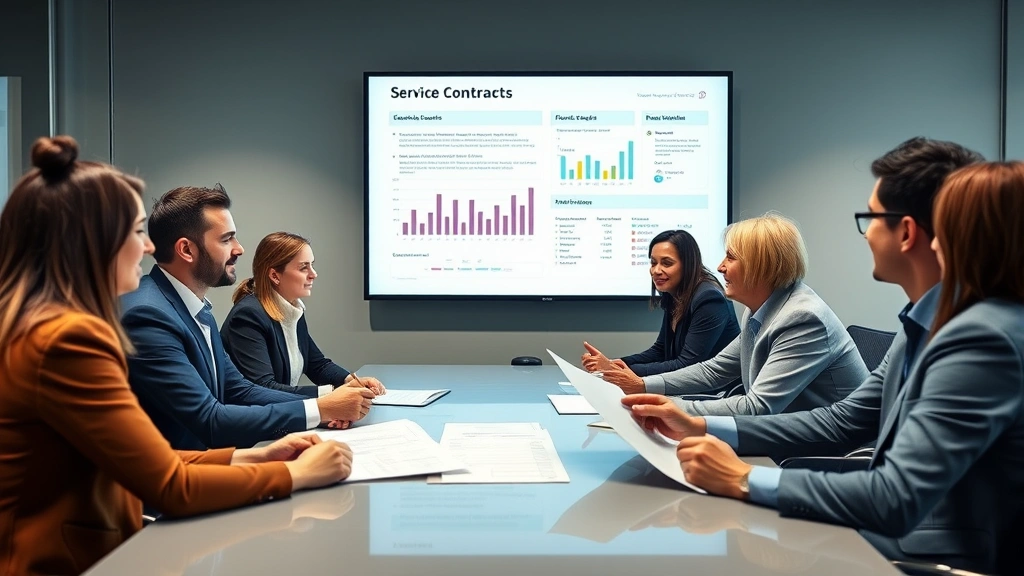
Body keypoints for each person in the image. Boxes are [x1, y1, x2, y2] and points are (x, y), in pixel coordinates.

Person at [622, 159, 1023, 574]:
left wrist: (743, 478)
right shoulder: (923, 321)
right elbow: (842, 420)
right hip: (898, 519)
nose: (936, 243)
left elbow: (895, 497)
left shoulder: (983, 337)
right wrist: (700, 425)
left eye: (870, 219)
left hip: (935, 549)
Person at [0, 136, 354, 576]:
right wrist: (296, 475)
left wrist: (259, 457)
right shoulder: (69, 341)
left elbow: (152, 460)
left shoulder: (44, 328)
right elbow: (170, 484)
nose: (149, 247)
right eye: (136, 232)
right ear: (93, 243)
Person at [120, 185, 375, 451]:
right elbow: (209, 420)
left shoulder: (195, 309)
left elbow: (239, 390)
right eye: (226, 239)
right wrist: (320, 410)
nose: (239, 249)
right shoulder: (148, 316)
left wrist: (324, 405)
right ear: (186, 250)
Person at [603, 213, 868, 416]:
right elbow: (714, 371)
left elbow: (757, 407)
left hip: (836, 452)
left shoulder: (802, 319)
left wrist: (666, 407)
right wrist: (643, 386)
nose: (720, 267)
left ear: (761, 265)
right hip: (790, 431)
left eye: (730, 257)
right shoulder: (759, 311)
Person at [222, 231, 385, 397]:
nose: (313, 274)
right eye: (303, 268)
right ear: (275, 276)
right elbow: (264, 388)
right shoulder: (248, 316)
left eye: (312, 265)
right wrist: (334, 394)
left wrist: (351, 381)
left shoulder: (292, 308)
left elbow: (317, 365)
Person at [580, 229, 740, 377]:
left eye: (667, 263)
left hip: (720, 392)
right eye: (653, 263)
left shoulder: (709, 299)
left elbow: (687, 365)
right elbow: (660, 351)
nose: (656, 270)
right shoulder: (675, 293)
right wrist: (613, 363)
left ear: (688, 265)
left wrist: (613, 369)